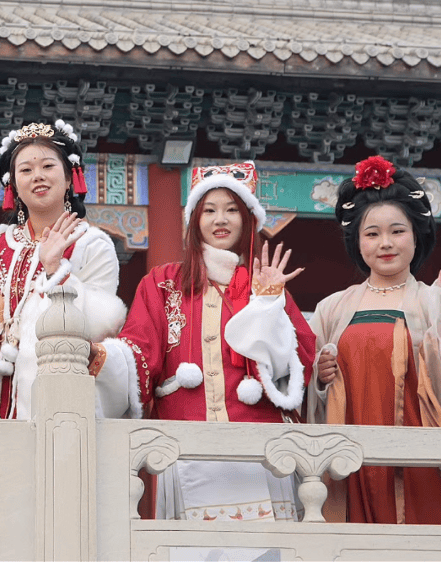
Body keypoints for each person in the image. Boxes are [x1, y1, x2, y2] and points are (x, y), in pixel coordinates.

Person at [97, 161, 316, 522]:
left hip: (260, 449)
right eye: (209, 210)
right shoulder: (163, 283)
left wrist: (268, 304)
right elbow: (139, 350)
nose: (221, 220)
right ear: (194, 220)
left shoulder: (265, 284)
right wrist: (100, 358)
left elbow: (295, 367)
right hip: (186, 445)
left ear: (247, 219)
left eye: (232, 210)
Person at [307, 155, 441, 525]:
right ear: (357, 241)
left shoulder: (430, 299)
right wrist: (320, 375)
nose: (385, 243)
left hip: (421, 459)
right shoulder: (331, 308)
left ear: (416, 235)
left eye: (397, 231)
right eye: (372, 234)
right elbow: (306, 387)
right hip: (353, 457)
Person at [0, 120, 129, 422]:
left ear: (69, 178)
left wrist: (55, 268)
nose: (38, 176)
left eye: (47, 166)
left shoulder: (91, 243)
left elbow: (100, 325)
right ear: (13, 185)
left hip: (57, 399)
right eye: (26, 170)